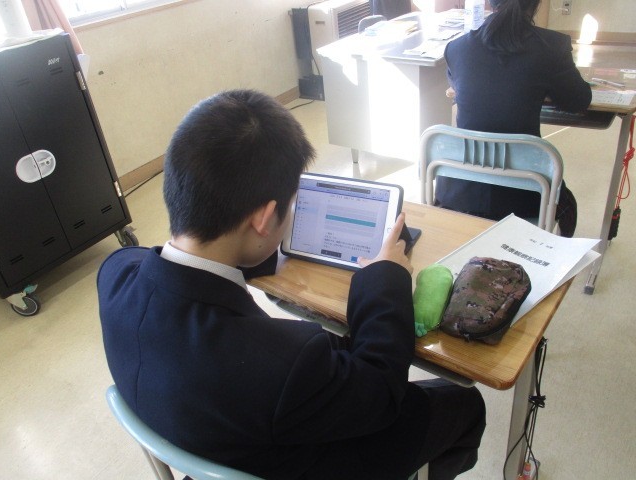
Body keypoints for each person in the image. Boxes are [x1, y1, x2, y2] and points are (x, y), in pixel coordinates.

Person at [98, 89, 485, 480]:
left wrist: (258, 247)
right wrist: (386, 276)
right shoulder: (285, 364)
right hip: (298, 463)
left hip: (213, 437)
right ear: (264, 219)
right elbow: (380, 391)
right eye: (291, 208)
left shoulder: (115, 274)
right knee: (464, 404)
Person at [438, 0, 592, 237]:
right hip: (525, 197)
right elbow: (578, 100)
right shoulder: (552, 46)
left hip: (459, 192)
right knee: (567, 203)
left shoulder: (456, 48)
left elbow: (463, 87)